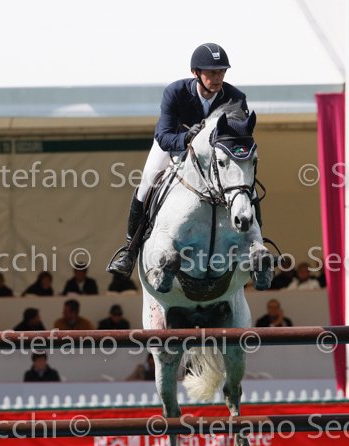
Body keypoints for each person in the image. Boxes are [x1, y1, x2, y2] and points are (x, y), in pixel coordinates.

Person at [107, 42, 265, 279]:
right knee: (147, 182)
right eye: (212, 72)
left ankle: (258, 245)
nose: (218, 78)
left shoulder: (235, 98)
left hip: (215, 157)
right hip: (175, 147)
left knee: (246, 187)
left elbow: (237, 138)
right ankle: (130, 249)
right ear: (195, 73)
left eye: (221, 72)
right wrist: (187, 138)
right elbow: (163, 136)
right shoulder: (176, 92)